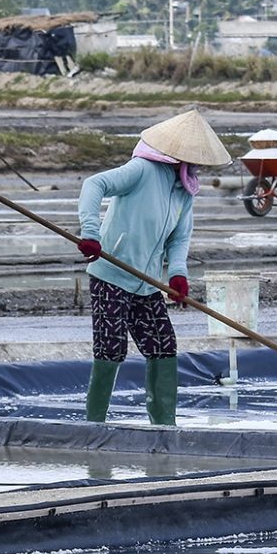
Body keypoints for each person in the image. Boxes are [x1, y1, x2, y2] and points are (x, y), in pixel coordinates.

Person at [74, 109, 229, 426]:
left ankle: (164, 425)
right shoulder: (141, 170)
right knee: (111, 348)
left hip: (146, 285)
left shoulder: (184, 190)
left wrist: (178, 274)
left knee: (163, 345)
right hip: (111, 276)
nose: (198, 165)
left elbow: (180, 237)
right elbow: (94, 184)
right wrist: (90, 232)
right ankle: (93, 426)